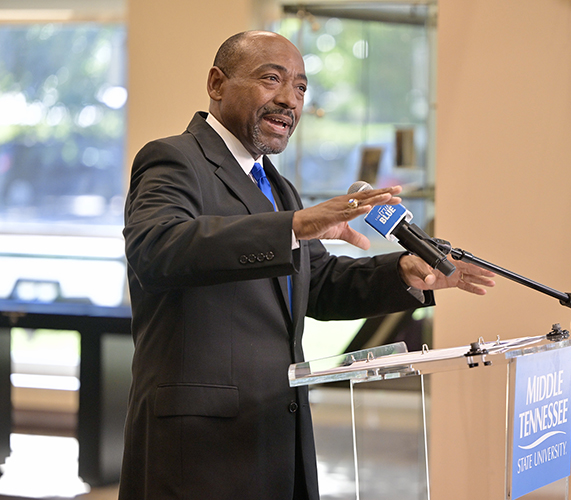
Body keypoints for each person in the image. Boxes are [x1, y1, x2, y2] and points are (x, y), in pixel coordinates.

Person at [119, 30, 494, 500]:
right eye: (271, 79)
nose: (288, 100)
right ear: (217, 83)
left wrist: (402, 272)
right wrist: (293, 225)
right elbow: (157, 249)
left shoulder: (277, 187)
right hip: (197, 443)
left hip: (276, 430)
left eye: (300, 87)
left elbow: (320, 286)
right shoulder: (173, 159)